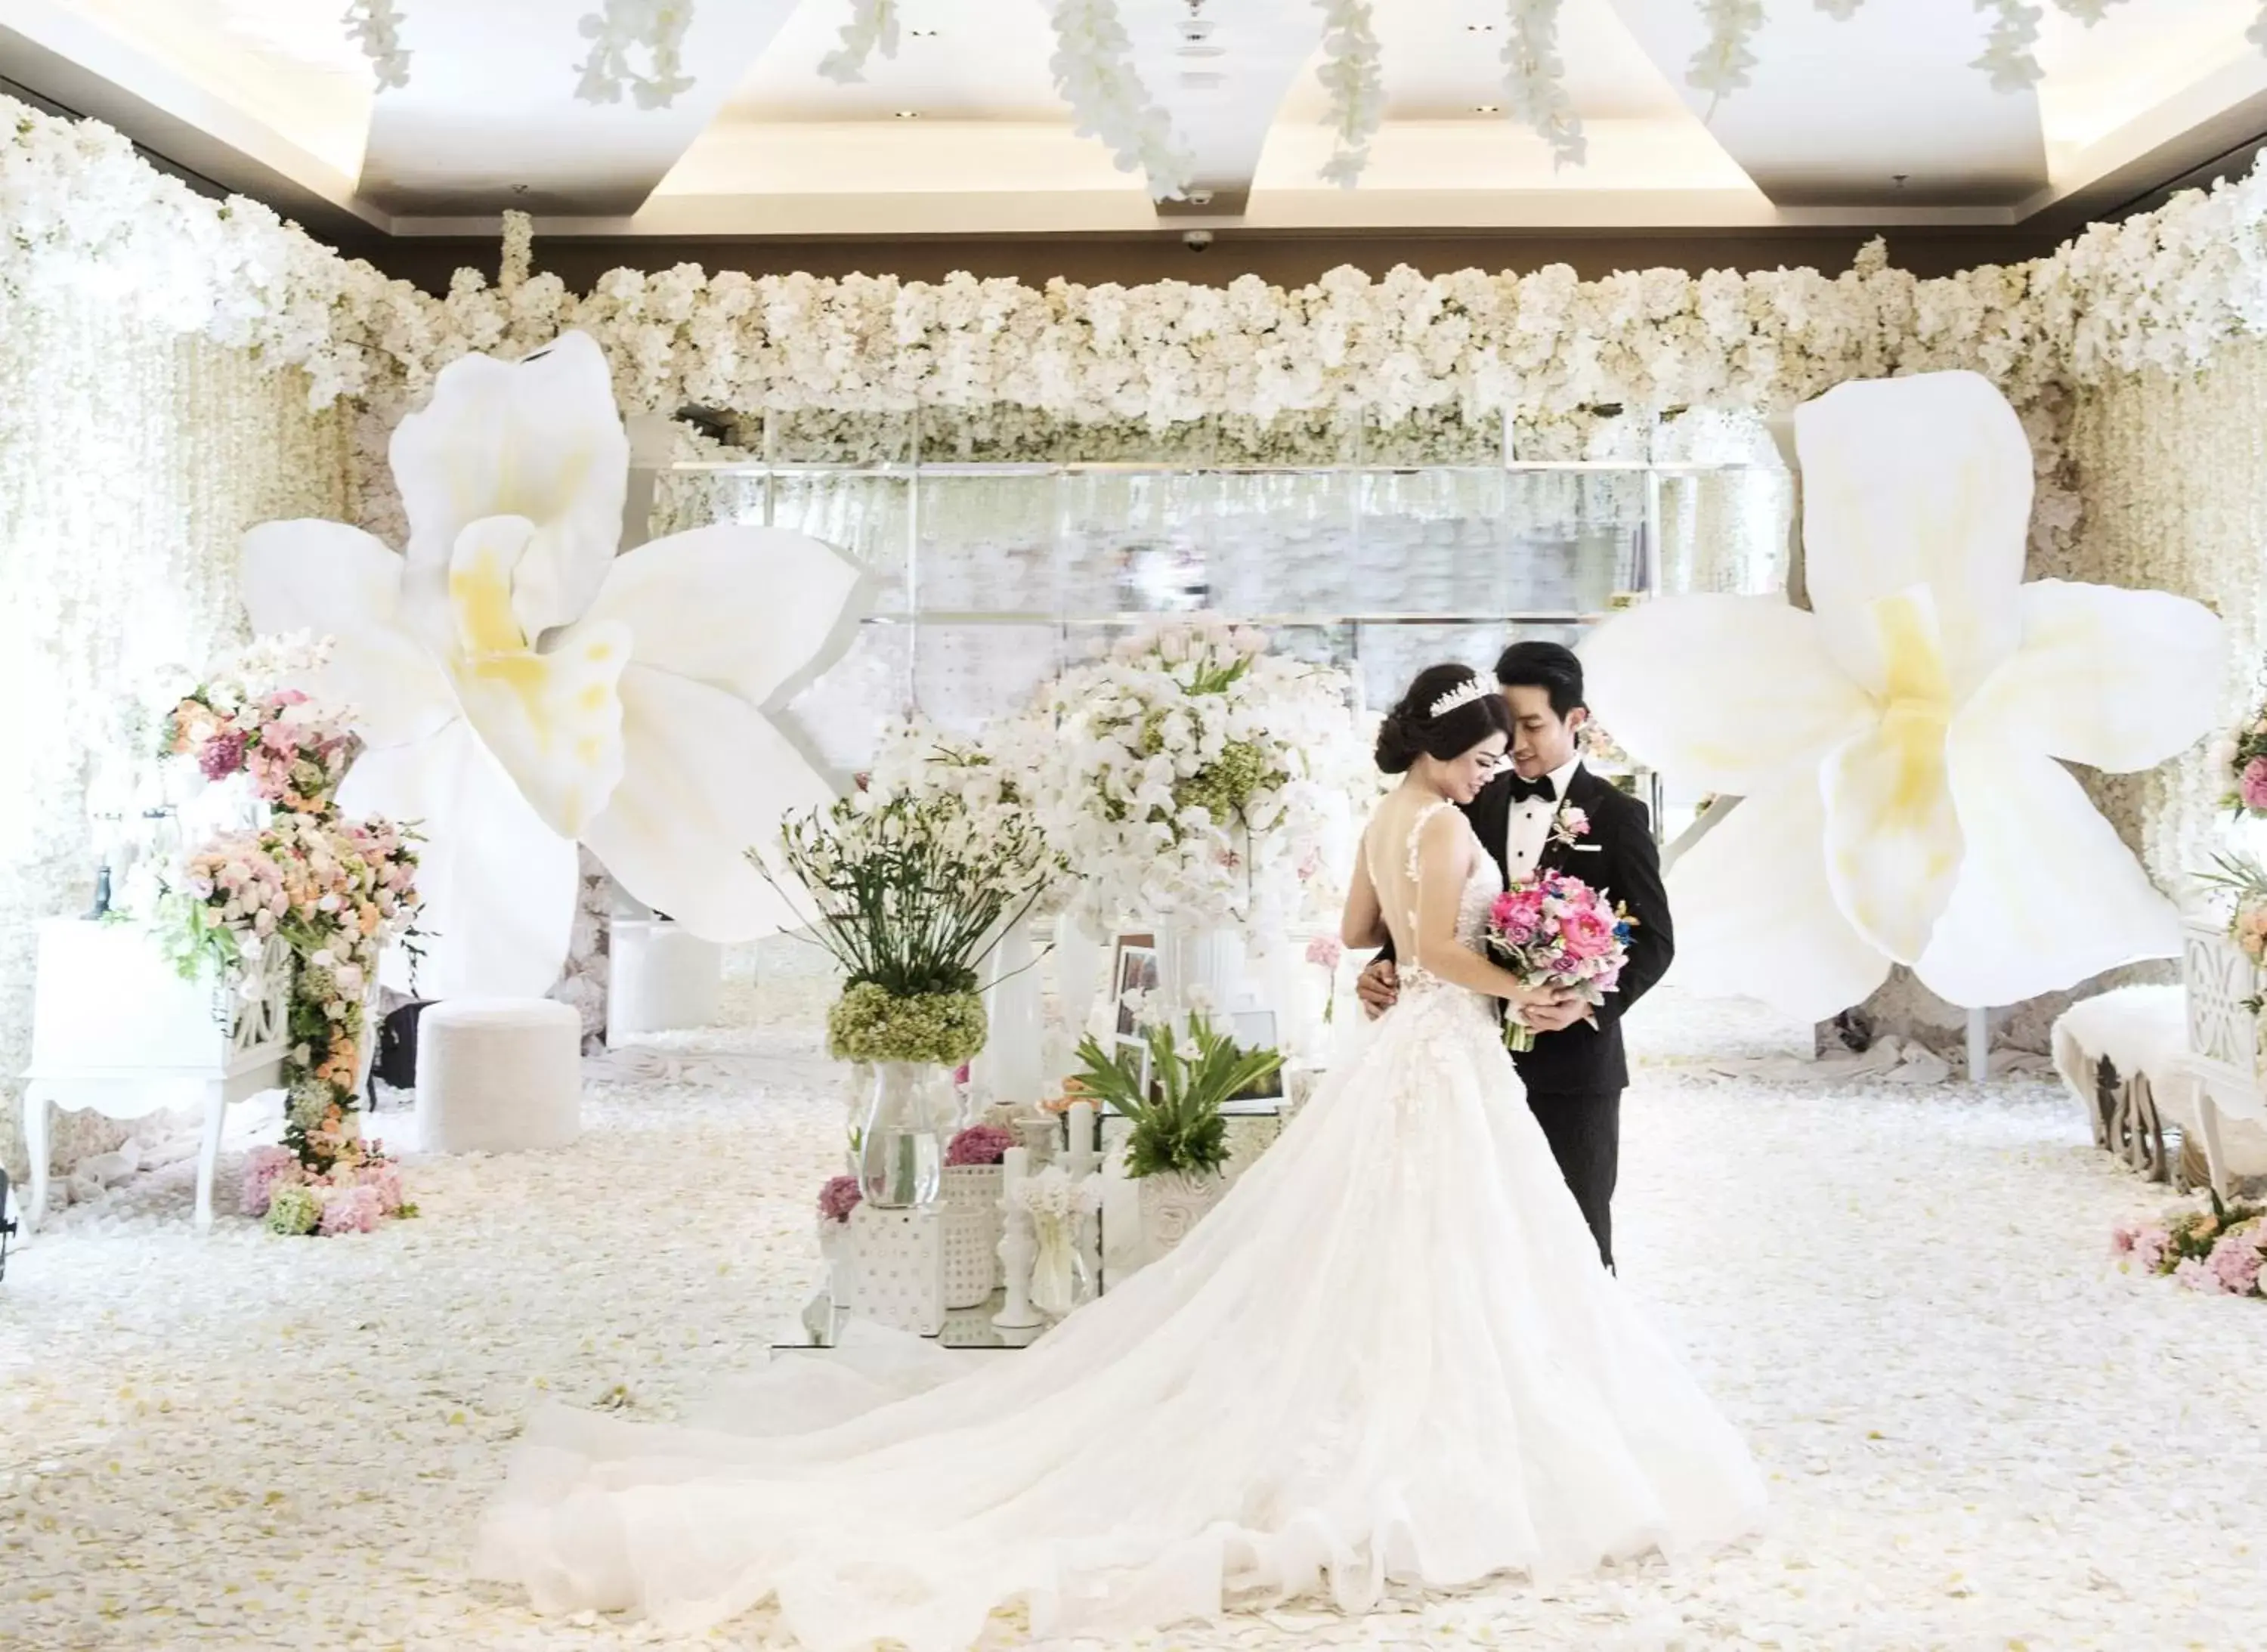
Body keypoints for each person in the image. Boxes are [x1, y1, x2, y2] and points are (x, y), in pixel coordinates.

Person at [471, 663, 1763, 1650]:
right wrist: (1524, 989)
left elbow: (1360, 932)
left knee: (1413, 1237)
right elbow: (1422, 953)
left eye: (1499, 755)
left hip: (1419, 1054)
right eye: (1480, 754)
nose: (1493, 770)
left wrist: (1459, 974)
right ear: (1439, 751)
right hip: (1445, 1048)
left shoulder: (1391, 817)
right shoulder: (1434, 822)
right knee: (1436, 1236)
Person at [1358, 642, 1669, 1270]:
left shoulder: (1617, 814)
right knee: (1473, 1243)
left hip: (1573, 1066)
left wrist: (1582, 1005)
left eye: (1531, 725)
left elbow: (1653, 938)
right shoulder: (1468, 798)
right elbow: (1430, 909)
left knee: (1574, 1238)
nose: (1516, 743)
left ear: (1575, 719)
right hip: (1465, 1058)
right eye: (1507, 724)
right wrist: (1386, 963)